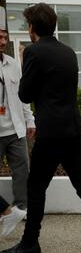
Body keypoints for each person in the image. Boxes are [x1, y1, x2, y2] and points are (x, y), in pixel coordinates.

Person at [0, 3, 81, 253]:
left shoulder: (33, 53)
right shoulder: (69, 52)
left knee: (35, 187)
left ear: (32, 28)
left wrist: (25, 63)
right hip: (71, 130)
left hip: (51, 134)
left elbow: (24, 94)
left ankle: (30, 243)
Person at [0, 27, 35, 212]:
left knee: (22, 174)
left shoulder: (13, 64)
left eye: (5, 37)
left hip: (15, 130)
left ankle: (22, 210)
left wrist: (30, 120)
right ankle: (4, 210)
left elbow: (23, 95)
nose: (4, 42)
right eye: (0, 37)